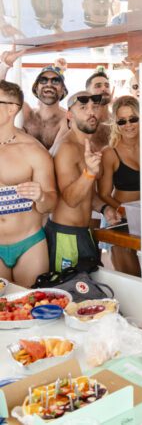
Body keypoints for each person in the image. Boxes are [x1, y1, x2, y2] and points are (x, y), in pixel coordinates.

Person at [0, 81, 57, 286]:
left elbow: (51, 204)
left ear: (11, 109)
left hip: (29, 243)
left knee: (30, 306)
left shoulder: (33, 150)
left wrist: (40, 195)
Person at [47, 91, 103, 272]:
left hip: (82, 232)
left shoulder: (87, 145)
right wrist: (89, 173)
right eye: (83, 108)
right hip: (66, 235)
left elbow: (86, 193)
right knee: (66, 291)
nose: (91, 112)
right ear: (70, 115)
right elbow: (70, 199)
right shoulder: (67, 148)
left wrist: (105, 209)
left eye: (95, 107)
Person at [97, 96, 142, 276]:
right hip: (119, 219)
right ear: (115, 123)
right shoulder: (110, 152)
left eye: (133, 119)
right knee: (131, 278)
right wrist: (125, 211)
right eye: (122, 121)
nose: (128, 125)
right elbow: (103, 194)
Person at [0, 49, 68, 151]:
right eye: (43, 80)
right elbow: (2, 94)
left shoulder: (66, 120)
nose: (49, 84)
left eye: (55, 81)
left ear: (63, 90)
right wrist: (4, 66)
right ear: (36, 88)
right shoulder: (25, 112)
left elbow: (55, 155)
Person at [85, 71, 112, 148]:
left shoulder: (118, 119)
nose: (104, 88)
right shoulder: (82, 121)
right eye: (98, 86)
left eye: (107, 86)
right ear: (87, 92)